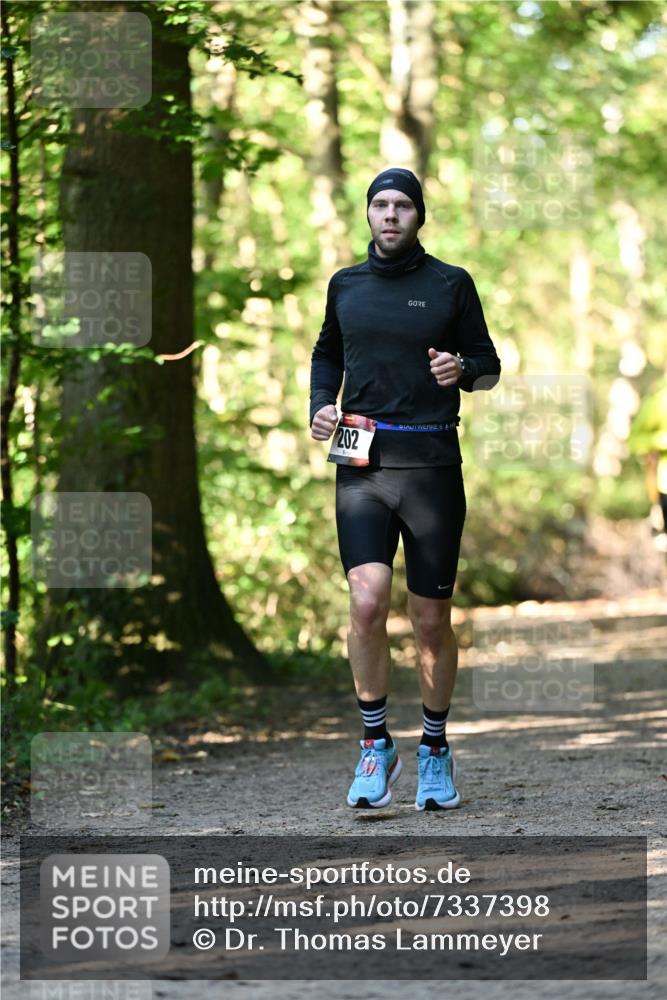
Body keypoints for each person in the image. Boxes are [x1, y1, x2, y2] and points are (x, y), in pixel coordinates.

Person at [309, 167, 501, 811]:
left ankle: (435, 750)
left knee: (429, 620)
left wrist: (463, 367)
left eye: (402, 206)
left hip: (431, 464)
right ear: (368, 214)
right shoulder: (345, 285)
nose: (390, 215)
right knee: (365, 603)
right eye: (380, 204)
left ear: (419, 216)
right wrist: (320, 403)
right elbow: (326, 353)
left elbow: (488, 364)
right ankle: (374, 745)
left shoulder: (451, 283)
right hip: (360, 462)